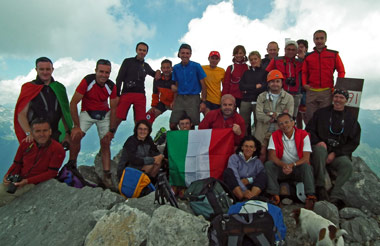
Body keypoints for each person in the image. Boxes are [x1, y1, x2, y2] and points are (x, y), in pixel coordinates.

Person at [306, 89, 361, 209]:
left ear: (346, 100)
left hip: (338, 154)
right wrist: (318, 141)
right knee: (320, 151)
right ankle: (320, 187)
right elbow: (309, 130)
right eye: (336, 97)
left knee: (347, 165)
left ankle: (336, 196)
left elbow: (354, 142)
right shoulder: (321, 113)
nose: (338, 100)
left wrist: (335, 153)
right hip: (321, 151)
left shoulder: (351, 119)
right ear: (332, 98)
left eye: (341, 97)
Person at [69, 59, 117, 188]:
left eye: (107, 72)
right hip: (87, 112)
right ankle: (71, 165)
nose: (104, 75)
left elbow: (114, 109)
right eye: (101, 71)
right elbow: (73, 103)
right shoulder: (88, 81)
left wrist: (111, 130)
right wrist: (76, 126)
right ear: (95, 70)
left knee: (105, 142)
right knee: (76, 136)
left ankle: (106, 174)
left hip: (104, 115)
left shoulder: (111, 86)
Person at [0, 118, 65, 207]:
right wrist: (8, 175)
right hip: (20, 179)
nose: (42, 134)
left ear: (50, 131)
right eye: (38, 131)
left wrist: (27, 181)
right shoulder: (26, 144)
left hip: (36, 183)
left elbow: (52, 173)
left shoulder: (57, 149)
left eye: (45, 130)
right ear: (32, 133)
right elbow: (17, 163)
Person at [14, 57, 73, 146]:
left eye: (48, 69)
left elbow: (64, 113)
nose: (45, 72)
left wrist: (67, 134)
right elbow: (21, 114)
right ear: (36, 70)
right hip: (36, 135)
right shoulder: (29, 88)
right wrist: (29, 134)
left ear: (52, 70)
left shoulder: (59, 88)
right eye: (41, 69)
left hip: (55, 134)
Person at [264, 113, 316, 209]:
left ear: (293, 123)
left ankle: (310, 196)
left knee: (306, 166)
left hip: (297, 168)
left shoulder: (303, 135)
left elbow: (306, 158)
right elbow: (272, 156)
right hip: (282, 169)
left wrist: (292, 165)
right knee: (269, 165)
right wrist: (284, 165)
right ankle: (274, 195)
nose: (284, 125)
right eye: (281, 124)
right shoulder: (275, 135)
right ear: (278, 126)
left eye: (287, 122)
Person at [302, 30, 345, 124]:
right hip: (311, 91)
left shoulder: (333, 54)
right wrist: (304, 84)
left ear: (325, 39)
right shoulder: (308, 57)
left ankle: (323, 138)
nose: (319, 41)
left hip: (327, 91)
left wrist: (337, 86)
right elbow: (304, 72)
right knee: (310, 118)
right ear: (313, 40)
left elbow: (341, 71)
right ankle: (310, 137)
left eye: (321, 38)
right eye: (317, 38)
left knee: (325, 118)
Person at [115, 42, 160, 125]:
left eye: (144, 50)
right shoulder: (127, 62)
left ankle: (138, 137)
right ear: (136, 50)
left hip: (140, 95)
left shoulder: (146, 66)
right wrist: (117, 95)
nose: (142, 52)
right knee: (118, 118)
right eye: (140, 50)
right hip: (126, 93)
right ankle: (110, 135)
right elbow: (119, 78)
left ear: (146, 52)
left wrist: (158, 71)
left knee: (139, 121)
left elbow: (155, 75)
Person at [255, 70, 294, 162]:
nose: (275, 84)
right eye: (272, 81)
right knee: (261, 154)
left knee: (276, 155)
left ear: (281, 83)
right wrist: (278, 115)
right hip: (263, 132)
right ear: (268, 83)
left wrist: (271, 114)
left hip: (280, 132)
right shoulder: (261, 96)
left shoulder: (289, 98)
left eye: (277, 81)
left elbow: (288, 117)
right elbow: (259, 115)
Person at [169, 44, 207, 130]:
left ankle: (191, 143)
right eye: (183, 53)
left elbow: (203, 85)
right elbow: (176, 85)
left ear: (190, 54)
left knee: (192, 124)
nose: (185, 55)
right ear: (179, 54)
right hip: (180, 98)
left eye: (187, 53)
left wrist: (204, 102)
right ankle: (178, 141)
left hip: (193, 98)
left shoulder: (196, 66)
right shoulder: (176, 68)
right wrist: (174, 100)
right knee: (173, 123)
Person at [266, 40, 303, 120]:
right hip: (280, 93)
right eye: (288, 49)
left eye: (293, 50)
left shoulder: (300, 62)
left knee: (292, 117)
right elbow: (267, 74)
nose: (290, 51)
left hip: (296, 93)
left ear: (296, 51)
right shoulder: (276, 60)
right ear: (284, 50)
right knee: (279, 117)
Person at [223, 136, 267, 201]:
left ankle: (250, 199)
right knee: (228, 172)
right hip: (237, 187)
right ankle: (242, 199)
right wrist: (244, 190)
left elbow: (260, 177)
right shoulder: (234, 158)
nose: (248, 149)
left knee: (263, 175)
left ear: (254, 149)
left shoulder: (257, 162)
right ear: (242, 147)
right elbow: (235, 175)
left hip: (251, 188)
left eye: (251, 147)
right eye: (246, 146)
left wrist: (249, 180)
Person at [239, 51, 267, 135]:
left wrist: (249, 88)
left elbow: (264, 87)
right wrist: (255, 86)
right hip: (246, 100)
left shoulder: (265, 73)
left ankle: (257, 142)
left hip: (258, 101)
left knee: (258, 123)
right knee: (243, 123)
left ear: (259, 59)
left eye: (255, 59)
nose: (253, 61)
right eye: (251, 60)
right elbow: (241, 86)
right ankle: (244, 141)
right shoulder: (246, 73)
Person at [146, 59, 176, 124]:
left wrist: (175, 101)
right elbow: (155, 94)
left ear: (171, 68)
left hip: (176, 103)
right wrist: (153, 106)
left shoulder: (176, 77)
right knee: (148, 117)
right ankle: (146, 133)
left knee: (173, 125)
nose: (166, 70)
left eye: (168, 67)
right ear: (161, 69)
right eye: (164, 68)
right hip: (163, 103)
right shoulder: (157, 79)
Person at [296, 39, 309, 129]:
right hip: (296, 90)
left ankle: (309, 135)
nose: (299, 49)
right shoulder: (294, 61)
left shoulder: (309, 60)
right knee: (297, 116)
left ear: (306, 49)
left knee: (306, 116)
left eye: (301, 47)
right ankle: (299, 135)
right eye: (298, 47)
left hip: (306, 91)